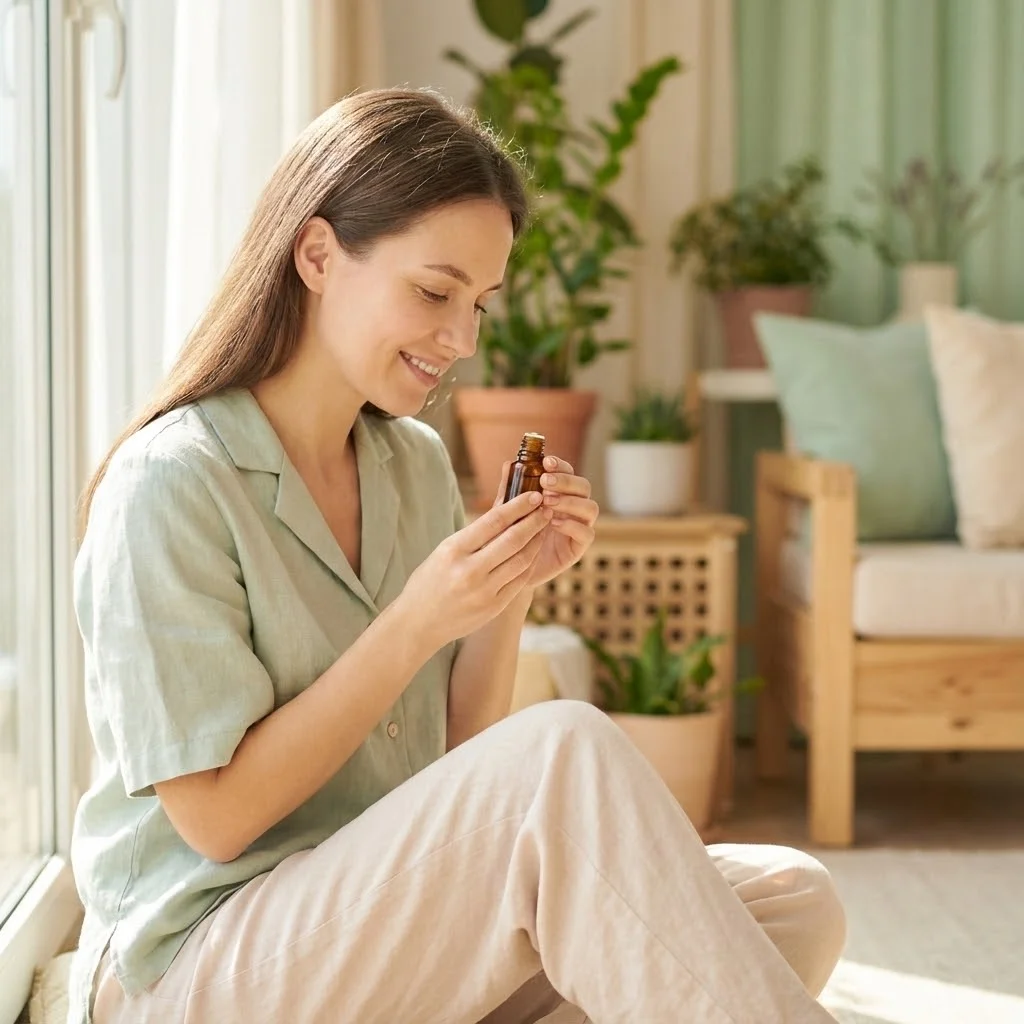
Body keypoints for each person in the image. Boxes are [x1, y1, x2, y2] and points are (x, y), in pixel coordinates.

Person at [67, 88, 845, 1024]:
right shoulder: (171, 483)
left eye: (478, 302)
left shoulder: (409, 462)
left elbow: (469, 775)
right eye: (435, 292)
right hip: (210, 961)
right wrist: (418, 619)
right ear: (316, 254)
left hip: (383, 934)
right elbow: (218, 821)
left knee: (788, 899)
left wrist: (510, 588)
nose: (462, 339)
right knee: (570, 755)